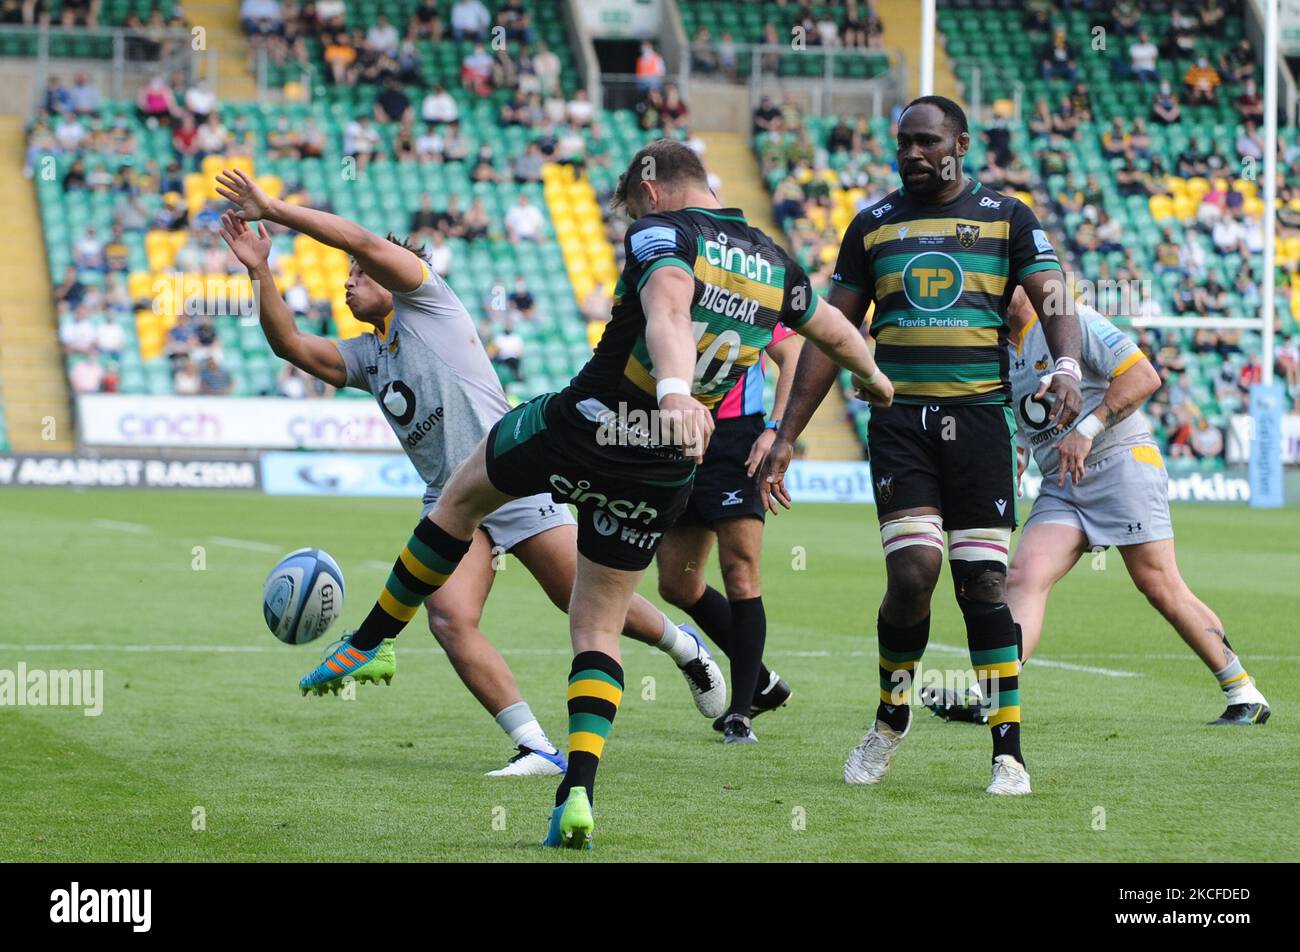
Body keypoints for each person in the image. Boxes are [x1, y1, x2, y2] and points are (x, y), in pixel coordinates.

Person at [268, 139, 892, 849]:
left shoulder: (662, 232)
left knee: (457, 498)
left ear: (651, 188)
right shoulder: (775, 263)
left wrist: (675, 390)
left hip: (590, 423)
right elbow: (834, 330)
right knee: (595, 628)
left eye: (630, 204)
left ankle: (371, 642)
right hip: (664, 465)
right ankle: (577, 794)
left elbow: (667, 312)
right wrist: (872, 378)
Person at [215, 167, 727, 777]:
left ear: (388, 273)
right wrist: (259, 269)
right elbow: (291, 347)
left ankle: (685, 648)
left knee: (579, 599)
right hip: (451, 501)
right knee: (448, 617)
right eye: (346, 277)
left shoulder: (427, 301)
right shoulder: (368, 354)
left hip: (509, 475)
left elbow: (365, 244)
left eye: (355, 275)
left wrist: (274, 209)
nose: (346, 286)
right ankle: (536, 746)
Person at [760, 96, 1083, 797]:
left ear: (960, 144)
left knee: (984, 584)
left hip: (978, 424)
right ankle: (890, 718)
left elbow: (1054, 297)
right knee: (912, 573)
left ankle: (1009, 752)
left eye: (925, 141)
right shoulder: (872, 225)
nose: (910, 153)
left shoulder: (1008, 217)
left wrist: (1067, 367)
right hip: (901, 422)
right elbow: (829, 335)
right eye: (902, 142)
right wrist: (786, 434)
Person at [929, 291, 1269, 727]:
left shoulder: (1074, 320)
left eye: (1004, 280)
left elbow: (1144, 376)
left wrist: (1088, 427)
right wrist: (1013, 460)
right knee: (1024, 574)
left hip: (1120, 461)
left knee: (1158, 583)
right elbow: (1023, 423)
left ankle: (1244, 691)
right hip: (1061, 480)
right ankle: (991, 695)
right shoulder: (997, 348)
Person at [654, 323, 802, 743]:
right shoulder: (672, 282)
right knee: (677, 584)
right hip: (676, 434)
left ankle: (740, 714)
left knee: (740, 572)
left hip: (737, 439)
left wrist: (777, 428)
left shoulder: (750, 279)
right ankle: (763, 682)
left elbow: (793, 355)